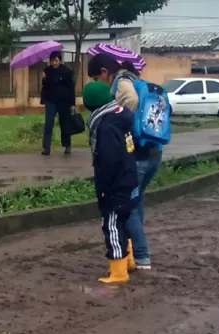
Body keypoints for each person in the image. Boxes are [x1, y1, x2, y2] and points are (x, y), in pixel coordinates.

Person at [87, 54, 162, 270]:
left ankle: (140, 256)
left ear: (103, 72)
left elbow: (131, 101)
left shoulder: (121, 82)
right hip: (152, 148)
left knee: (124, 206)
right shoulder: (134, 78)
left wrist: (118, 117)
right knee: (134, 202)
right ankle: (133, 253)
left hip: (137, 152)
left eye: (95, 78)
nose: (95, 84)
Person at [82, 80, 139, 284]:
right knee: (123, 223)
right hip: (129, 178)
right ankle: (129, 260)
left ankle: (118, 271)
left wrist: (104, 188)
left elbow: (107, 160)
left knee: (112, 225)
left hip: (115, 185)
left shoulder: (105, 126)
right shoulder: (120, 117)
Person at [40, 51, 76, 156]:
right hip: (50, 101)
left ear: (60, 60)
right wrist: (44, 78)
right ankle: (46, 147)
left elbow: (71, 89)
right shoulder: (47, 71)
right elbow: (45, 86)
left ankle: (67, 145)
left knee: (64, 123)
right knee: (48, 123)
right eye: (52, 60)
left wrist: (72, 103)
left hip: (64, 102)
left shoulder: (67, 71)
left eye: (56, 60)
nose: (54, 63)